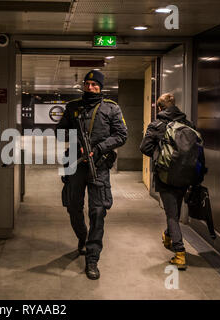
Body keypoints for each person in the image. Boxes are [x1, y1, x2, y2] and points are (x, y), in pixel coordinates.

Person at [56, 70, 127, 280]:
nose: (90, 87)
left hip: (100, 166)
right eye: (87, 84)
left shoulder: (111, 108)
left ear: (101, 87)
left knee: (97, 212)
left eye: (95, 85)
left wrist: (99, 148)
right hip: (75, 165)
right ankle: (82, 237)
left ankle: (92, 258)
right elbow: (59, 132)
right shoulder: (72, 107)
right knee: (73, 206)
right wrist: (77, 142)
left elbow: (122, 135)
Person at [140, 93, 193, 270]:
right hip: (185, 176)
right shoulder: (187, 124)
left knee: (171, 214)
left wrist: (160, 154)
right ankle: (168, 236)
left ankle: (179, 253)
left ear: (160, 108)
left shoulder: (156, 125)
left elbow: (145, 148)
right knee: (175, 210)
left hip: (166, 176)